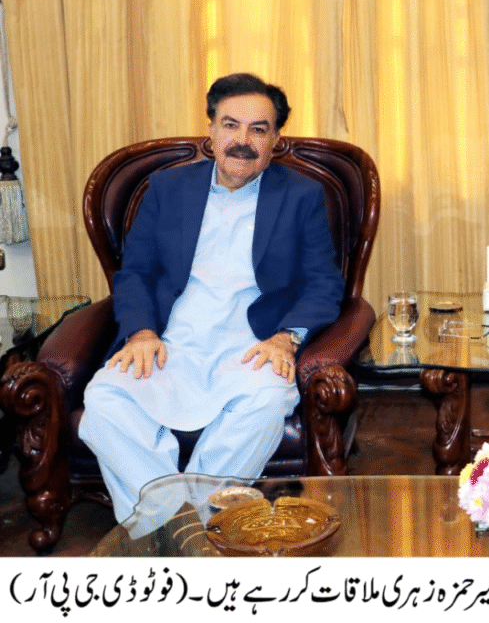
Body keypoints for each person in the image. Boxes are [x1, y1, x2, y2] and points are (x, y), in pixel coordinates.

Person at [79, 73, 345, 525]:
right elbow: (136, 273)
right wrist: (141, 332)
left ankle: (176, 527)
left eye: (258, 129)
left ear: (276, 140)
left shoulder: (302, 195)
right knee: (104, 401)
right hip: (170, 342)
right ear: (211, 130)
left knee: (266, 404)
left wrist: (287, 337)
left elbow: (324, 283)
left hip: (251, 346)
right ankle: (186, 524)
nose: (243, 140)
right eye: (230, 125)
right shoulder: (167, 188)